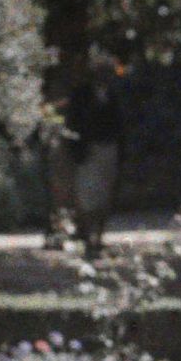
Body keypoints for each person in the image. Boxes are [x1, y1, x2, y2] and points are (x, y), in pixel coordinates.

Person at [66, 71, 122, 255]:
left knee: (105, 194)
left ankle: (98, 236)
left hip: (108, 148)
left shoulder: (114, 94)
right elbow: (73, 122)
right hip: (87, 151)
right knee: (87, 195)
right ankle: (89, 236)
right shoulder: (81, 95)